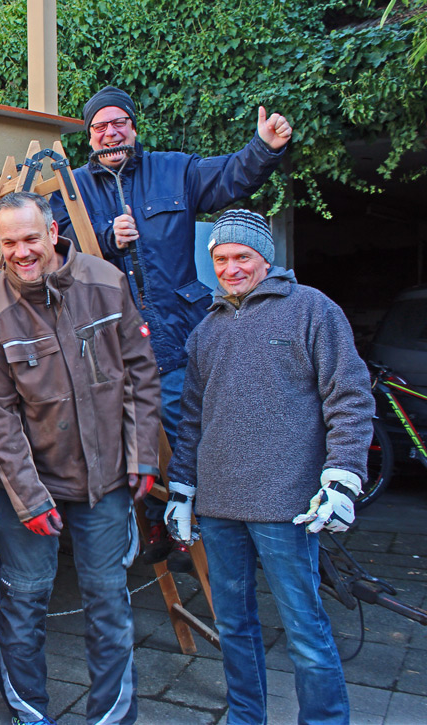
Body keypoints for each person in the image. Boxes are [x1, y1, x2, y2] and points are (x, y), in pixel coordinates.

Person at [50, 85, 293, 570]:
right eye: (100, 126)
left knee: (192, 430)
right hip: (112, 341)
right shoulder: (70, 189)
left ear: (133, 127)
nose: (110, 133)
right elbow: (56, 249)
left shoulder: (175, 170)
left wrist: (264, 147)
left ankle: (212, 530)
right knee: (134, 441)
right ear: (89, 137)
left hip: (180, 334)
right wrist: (104, 239)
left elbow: (230, 176)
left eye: (119, 123)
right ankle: (160, 526)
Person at [165, 209, 374, 725]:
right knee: (234, 627)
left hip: (286, 505)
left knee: (305, 631)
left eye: (242, 256)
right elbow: (192, 419)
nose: (231, 268)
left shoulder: (311, 310)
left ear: (266, 258)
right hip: (219, 506)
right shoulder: (207, 331)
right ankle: (246, 718)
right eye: (221, 259)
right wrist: (182, 490)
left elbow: (349, 397)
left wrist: (343, 476)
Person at [0, 192, 161, 725]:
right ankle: (29, 715)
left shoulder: (107, 283)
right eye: (9, 242)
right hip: (33, 489)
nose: (21, 252)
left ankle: (111, 718)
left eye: (30, 238)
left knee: (109, 603)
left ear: (53, 232)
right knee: (23, 604)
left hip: (107, 482)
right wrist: (29, 499)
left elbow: (141, 375)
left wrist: (142, 457)